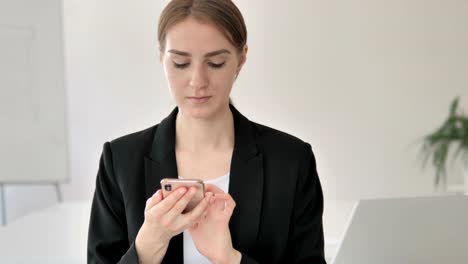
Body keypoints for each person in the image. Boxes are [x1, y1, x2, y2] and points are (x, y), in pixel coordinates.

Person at [87, 0, 326, 263]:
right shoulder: (120, 161)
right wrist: (146, 248)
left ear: (241, 58)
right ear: (161, 58)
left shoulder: (291, 161)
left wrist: (229, 258)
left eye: (215, 63)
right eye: (180, 63)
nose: (197, 81)